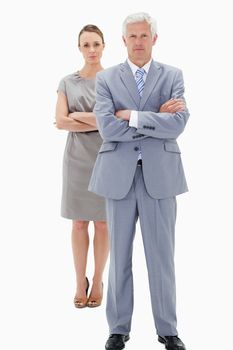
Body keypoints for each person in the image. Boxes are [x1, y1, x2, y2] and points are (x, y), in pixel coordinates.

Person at [89, 12, 189, 350]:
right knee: (118, 257)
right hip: (118, 176)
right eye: (132, 36)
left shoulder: (172, 75)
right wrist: (154, 117)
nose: (138, 42)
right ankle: (118, 328)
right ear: (123, 41)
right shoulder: (107, 79)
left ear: (154, 39)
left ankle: (168, 329)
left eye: (144, 36)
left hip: (160, 177)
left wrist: (130, 115)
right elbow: (106, 128)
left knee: (162, 256)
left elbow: (177, 124)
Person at [55, 25, 109, 309]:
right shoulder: (67, 81)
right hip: (76, 160)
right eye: (86, 45)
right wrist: (95, 118)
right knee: (78, 223)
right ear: (79, 48)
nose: (91, 50)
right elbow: (60, 121)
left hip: (108, 157)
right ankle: (79, 281)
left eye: (96, 44)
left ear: (104, 46)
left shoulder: (114, 80)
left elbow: (112, 123)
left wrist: (79, 116)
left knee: (103, 223)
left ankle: (98, 279)